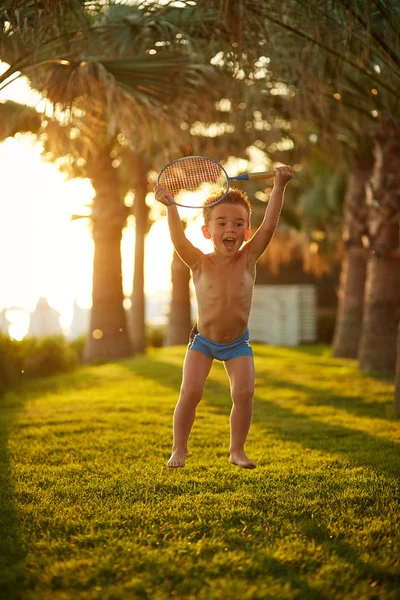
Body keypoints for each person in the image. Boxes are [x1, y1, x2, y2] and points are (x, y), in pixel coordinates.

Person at [155, 165, 294, 469]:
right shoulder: (198, 262)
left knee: (244, 393)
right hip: (203, 342)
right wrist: (170, 207)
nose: (230, 229)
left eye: (238, 224)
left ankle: (237, 451)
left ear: (247, 232)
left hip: (237, 345)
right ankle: (179, 448)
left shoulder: (249, 259)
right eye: (221, 223)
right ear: (207, 231)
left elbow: (269, 226)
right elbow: (179, 240)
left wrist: (279, 187)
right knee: (190, 392)